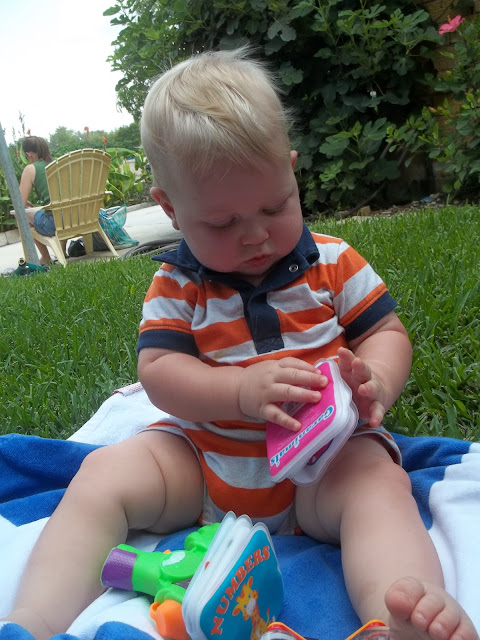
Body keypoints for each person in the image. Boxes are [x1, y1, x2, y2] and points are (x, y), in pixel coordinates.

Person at [4, 49, 477, 640]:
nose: (255, 235)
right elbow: (159, 371)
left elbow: (385, 332)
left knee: (379, 485)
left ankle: (401, 612)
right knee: (103, 474)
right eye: (222, 224)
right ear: (171, 209)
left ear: (291, 171)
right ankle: (33, 621)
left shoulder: (333, 262)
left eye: (274, 207)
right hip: (204, 463)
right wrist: (236, 390)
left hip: (323, 464)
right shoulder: (178, 285)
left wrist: (376, 379)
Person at [19, 136, 67, 265]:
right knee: (62, 210)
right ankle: (62, 251)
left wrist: (24, 203)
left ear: (28, 154)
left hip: (54, 224)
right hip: (78, 217)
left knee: (22, 214)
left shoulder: (31, 169)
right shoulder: (61, 163)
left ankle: (46, 257)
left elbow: (19, 204)